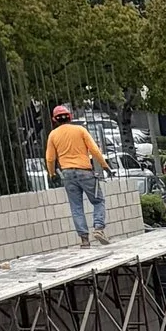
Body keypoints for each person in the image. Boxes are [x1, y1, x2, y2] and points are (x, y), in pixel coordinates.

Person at [43, 104, 110, 243]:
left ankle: (84, 239)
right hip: (85, 171)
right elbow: (94, 150)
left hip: (67, 174)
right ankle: (98, 228)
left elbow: (50, 158)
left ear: (54, 120)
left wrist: (51, 174)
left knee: (76, 206)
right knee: (98, 201)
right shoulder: (80, 130)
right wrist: (105, 166)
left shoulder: (53, 135)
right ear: (70, 116)